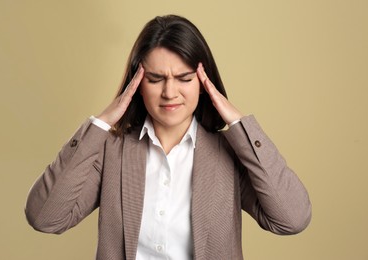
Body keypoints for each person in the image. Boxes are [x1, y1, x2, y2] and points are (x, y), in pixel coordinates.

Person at [25, 15, 311, 260]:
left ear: (203, 82)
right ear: (137, 84)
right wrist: (100, 123)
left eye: (185, 79)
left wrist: (238, 122)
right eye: (155, 79)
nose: (170, 93)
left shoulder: (230, 153)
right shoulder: (111, 151)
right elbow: (45, 218)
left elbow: (292, 219)